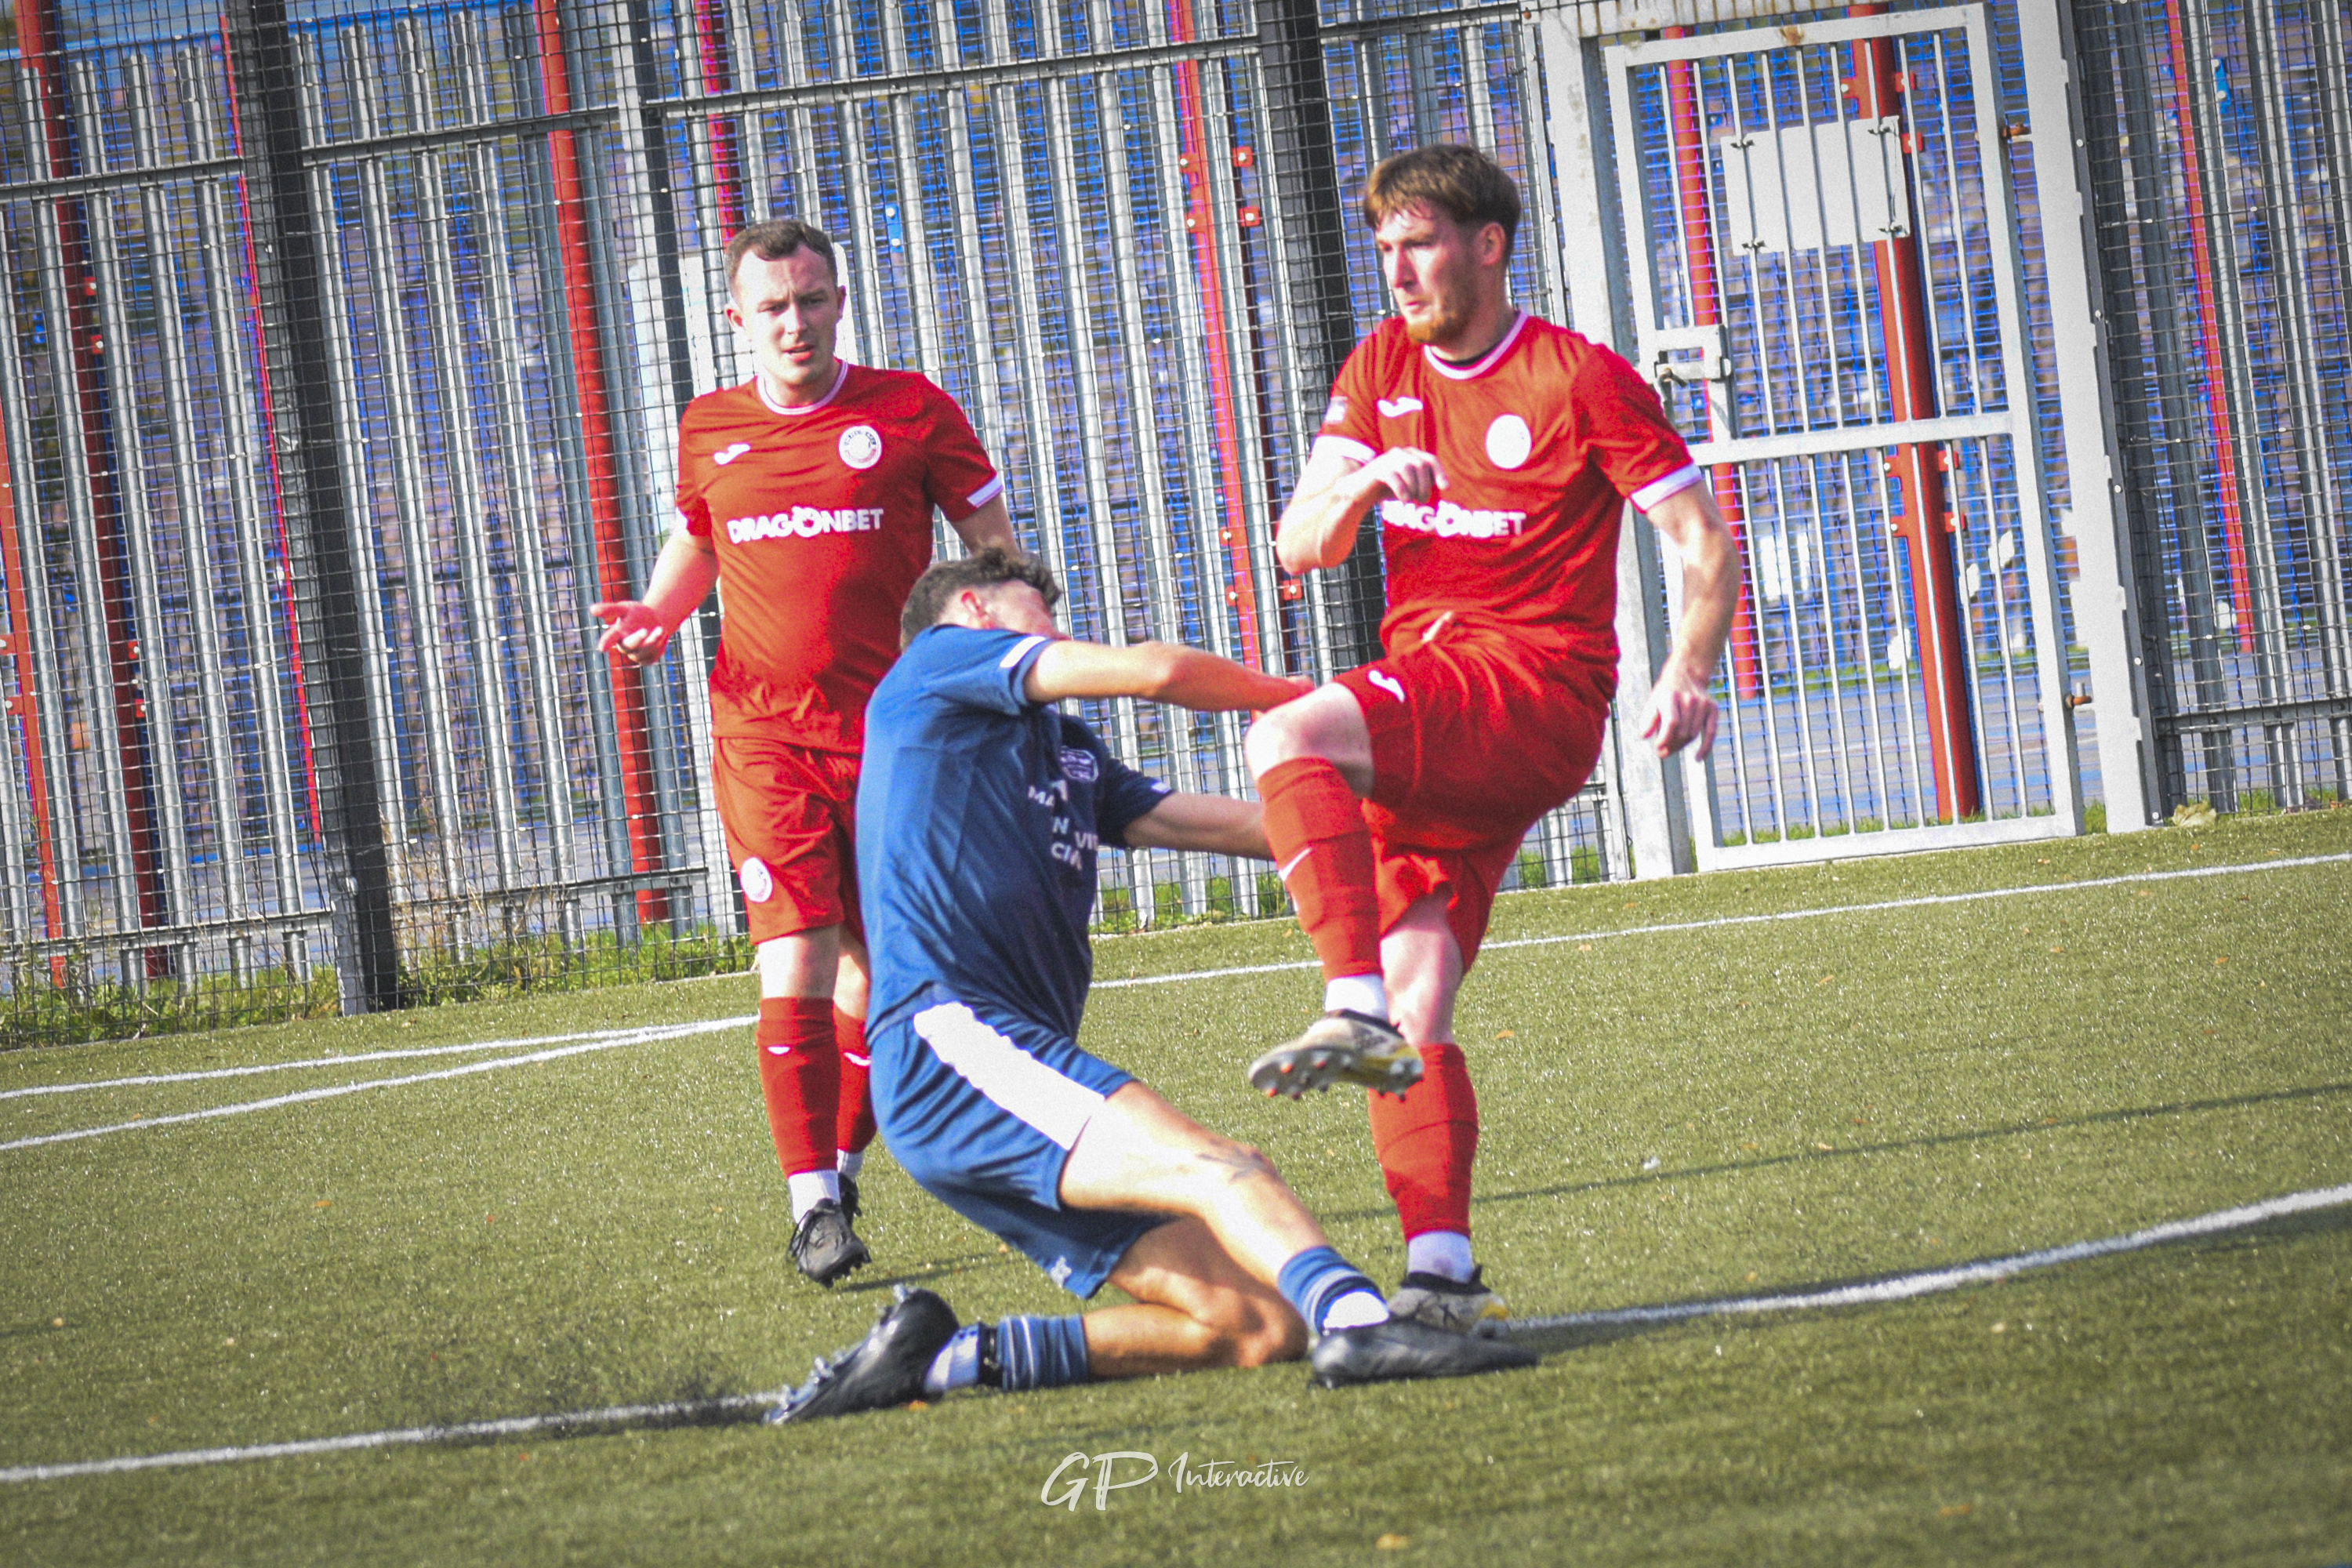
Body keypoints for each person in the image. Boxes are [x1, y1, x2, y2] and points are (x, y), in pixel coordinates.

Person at [770, 550, 1537, 1421]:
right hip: (952, 1042)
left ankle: (940, 1358)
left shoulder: (1062, 747)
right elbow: (1157, 671)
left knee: (1255, 1322)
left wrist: (1413, 813)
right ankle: (1359, 1317)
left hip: (989, 1071)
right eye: (1038, 606)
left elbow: (1228, 823)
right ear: (973, 608)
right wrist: (1317, 708)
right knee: (1223, 1166)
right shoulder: (938, 663)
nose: (1056, 624)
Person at [1241, 144, 1740, 1334]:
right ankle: (1443, 1273)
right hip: (1440, 703)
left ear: (1488, 246)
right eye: (1386, 252)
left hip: (1529, 688)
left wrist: (1688, 670)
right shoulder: (1380, 365)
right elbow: (1295, 547)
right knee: (1421, 1012)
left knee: (1287, 731)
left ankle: (1343, 997)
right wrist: (1361, 491)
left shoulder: (1580, 379)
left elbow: (1701, 546)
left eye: (1420, 246)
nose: (1400, 273)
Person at [592, 219, 1018, 1287]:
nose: (795, 321)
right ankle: (813, 1205)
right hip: (763, 735)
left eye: (812, 300)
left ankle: (837, 1159)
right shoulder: (711, 428)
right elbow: (702, 537)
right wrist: (656, 610)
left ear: (839, 303)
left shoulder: (910, 411)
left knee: (886, 979)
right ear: (736, 318)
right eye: (773, 305)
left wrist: (1008, 657)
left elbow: (996, 553)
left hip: (894, 739)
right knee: (797, 955)